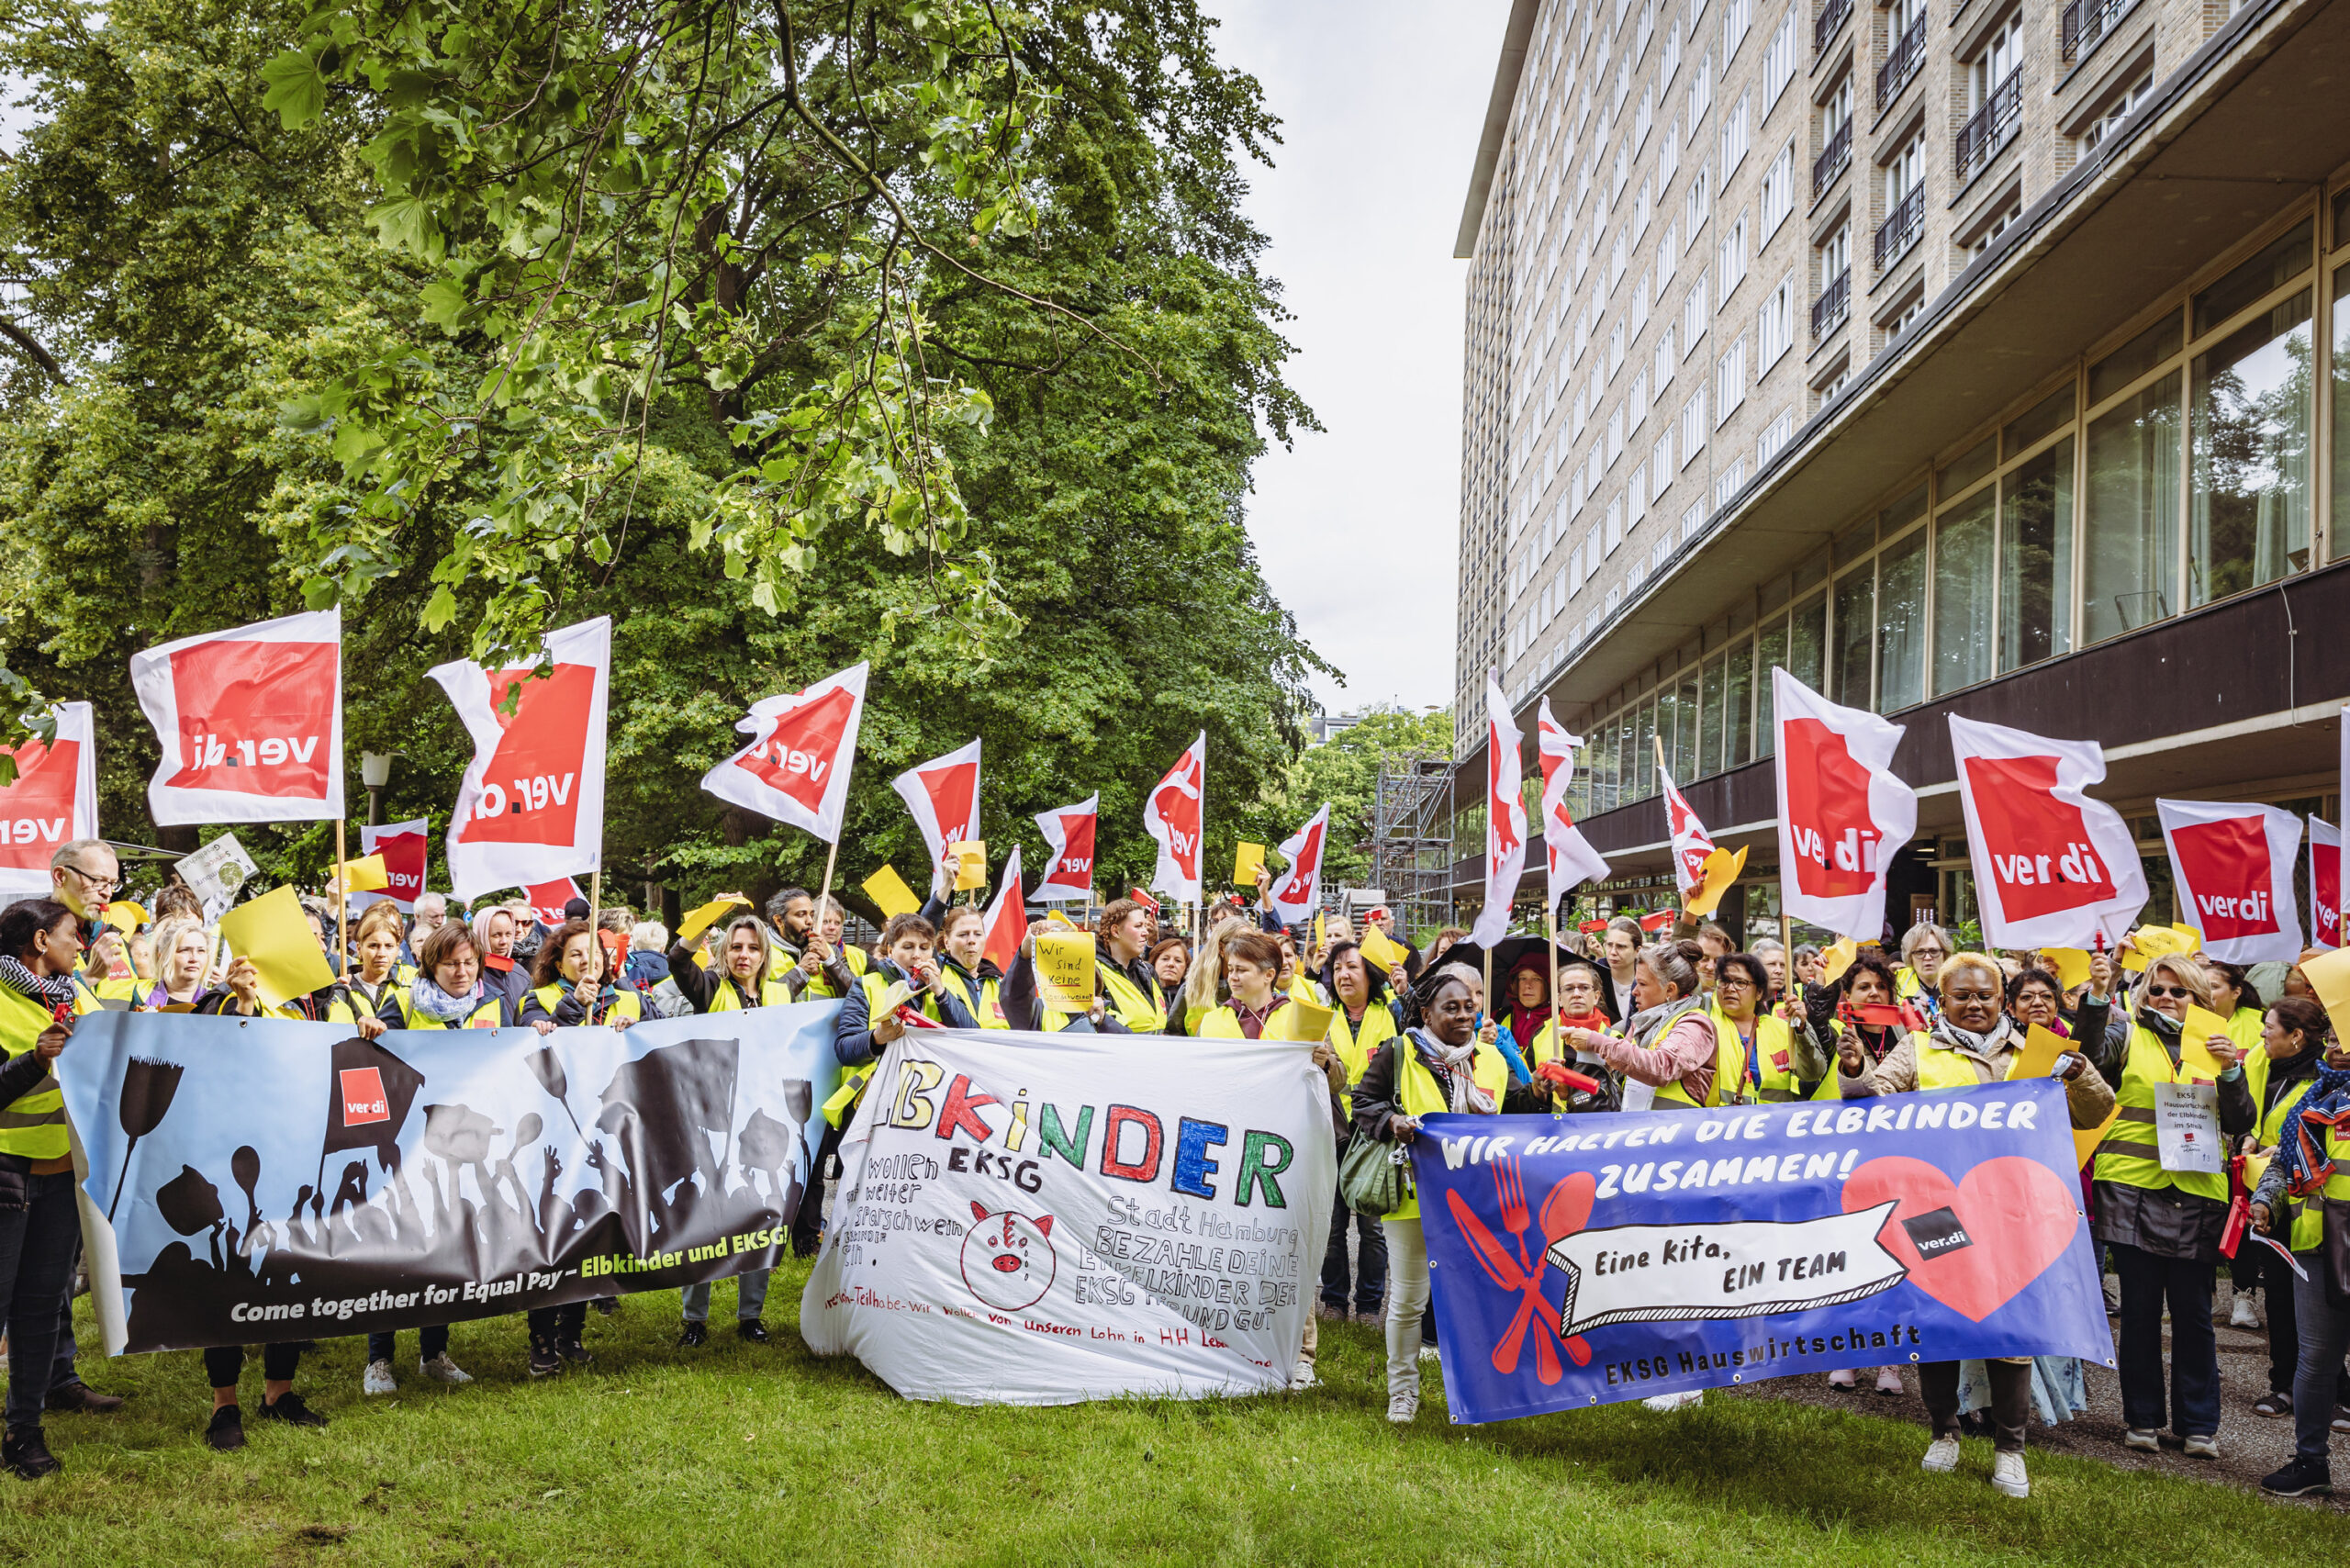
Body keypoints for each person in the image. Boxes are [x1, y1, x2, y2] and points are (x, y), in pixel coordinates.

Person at [1839, 952, 2115, 1498]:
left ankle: (2011, 1450)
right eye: (1961, 995)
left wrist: (2079, 1071)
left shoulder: (2039, 1053)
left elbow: (2096, 1109)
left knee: (2011, 1331)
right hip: (1935, 1211)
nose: (1973, 1004)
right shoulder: (1918, 1048)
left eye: (1984, 995)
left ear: (2002, 999)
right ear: (1942, 1001)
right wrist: (1853, 1070)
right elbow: (1874, 1099)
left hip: (2013, 1213)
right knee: (1940, 1325)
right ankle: (1945, 1431)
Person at [2086, 952, 2255, 1459]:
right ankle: (2141, 1420)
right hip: (2132, 1188)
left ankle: (2199, 1425)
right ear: (2142, 994)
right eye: (2157, 989)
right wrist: (2097, 997)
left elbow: (2241, 1119)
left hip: (2198, 1195)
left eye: (2178, 991)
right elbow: (2089, 1060)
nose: (2166, 998)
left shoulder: (2216, 1046)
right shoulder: (2126, 1035)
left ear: (2197, 998)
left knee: (2195, 1315)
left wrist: (2230, 1071)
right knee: (2139, 1314)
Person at [1350, 963, 1507, 1423]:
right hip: (1414, 1200)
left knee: (1474, 1298)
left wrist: (1540, 1088)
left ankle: (1477, 1390)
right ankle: (1403, 1391)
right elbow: (1365, 1102)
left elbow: (1518, 1114)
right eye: (1452, 1008)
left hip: (1475, 1201)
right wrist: (1392, 1123)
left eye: (1470, 1008)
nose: (1464, 1016)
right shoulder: (1399, 1052)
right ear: (1425, 1012)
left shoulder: (1491, 1059)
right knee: (1408, 1300)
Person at [0, 901, 96, 1477]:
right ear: (41, 939)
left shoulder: (76, 995)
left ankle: (24, 1433)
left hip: (62, 1181)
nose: (81, 945)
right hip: (7, 1178)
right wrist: (35, 1060)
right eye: (72, 935)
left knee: (40, 1310)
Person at [2248, 1003, 2350, 1496]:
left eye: (2343, 1033)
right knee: (2315, 1361)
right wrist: (2267, 1199)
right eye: (2330, 1032)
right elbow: (2284, 1164)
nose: (2333, 1041)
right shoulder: (2318, 1093)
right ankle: (2311, 1462)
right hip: (2314, 1247)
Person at [1319, 941, 1395, 1323]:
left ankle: (1368, 1305)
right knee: (1332, 1225)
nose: (1344, 975)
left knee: (1372, 1226)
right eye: (1336, 969)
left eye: (1352, 966)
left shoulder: (1392, 1013)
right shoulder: (1321, 1017)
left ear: (1369, 974)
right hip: (1330, 1130)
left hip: (1376, 1133)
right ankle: (1333, 1301)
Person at [374, 922, 511, 1031]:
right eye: (451, 964)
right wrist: (370, 1027)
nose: (462, 972)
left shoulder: (494, 1001)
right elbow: (377, 1055)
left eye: (469, 963)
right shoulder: (403, 1002)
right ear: (432, 965)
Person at [1195, 932, 1292, 1038]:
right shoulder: (1211, 1022)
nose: (1232, 977)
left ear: (1269, 975)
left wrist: (1313, 1054)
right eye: (1231, 970)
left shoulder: (1295, 1019)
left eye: (1241, 970)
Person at [1094, 899, 1168, 1032]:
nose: (1145, 932)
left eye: (1145, 926)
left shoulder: (1147, 970)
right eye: (1138, 926)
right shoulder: (1095, 972)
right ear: (1115, 931)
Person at [930, 904, 1008, 1028]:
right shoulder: (935, 970)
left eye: (977, 934)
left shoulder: (1000, 983)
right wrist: (943, 893)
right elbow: (926, 929)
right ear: (947, 942)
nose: (972, 940)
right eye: (963, 934)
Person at [140, 914, 218, 1009]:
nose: (194, 958)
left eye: (201, 951)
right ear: (162, 956)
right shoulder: (139, 994)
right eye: (184, 950)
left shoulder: (215, 1002)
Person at [472, 905, 532, 1014]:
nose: (504, 941)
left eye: (508, 934)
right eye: (496, 935)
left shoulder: (520, 973)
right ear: (481, 934)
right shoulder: (470, 975)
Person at [1897, 922, 1951, 1014]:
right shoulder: (1894, 981)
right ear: (1910, 957)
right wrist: (1901, 1010)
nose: (1928, 957)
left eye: (1934, 951)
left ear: (1944, 954)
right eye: (1920, 952)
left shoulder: (1959, 981)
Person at [1598, 914, 1642, 1024]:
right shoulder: (1594, 978)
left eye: (1621, 946)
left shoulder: (1648, 982)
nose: (1613, 952)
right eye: (1609, 945)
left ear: (1637, 951)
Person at [403, 892, 449, 965]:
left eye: (442, 916)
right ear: (417, 916)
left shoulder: (448, 942)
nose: (440, 921)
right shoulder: (400, 942)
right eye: (434, 916)